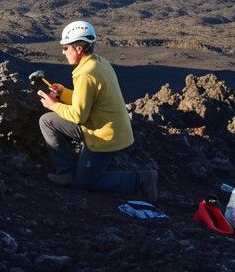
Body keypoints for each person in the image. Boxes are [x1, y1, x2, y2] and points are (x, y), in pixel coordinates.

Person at [37, 20, 157, 199]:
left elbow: (78, 115)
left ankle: (141, 179)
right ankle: (67, 172)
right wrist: (63, 94)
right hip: (106, 127)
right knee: (47, 121)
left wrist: (53, 105)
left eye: (66, 48)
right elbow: (88, 100)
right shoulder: (99, 62)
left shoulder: (86, 73)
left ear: (78, 48)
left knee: (86, 183)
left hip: (105, 136)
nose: (63, 52)